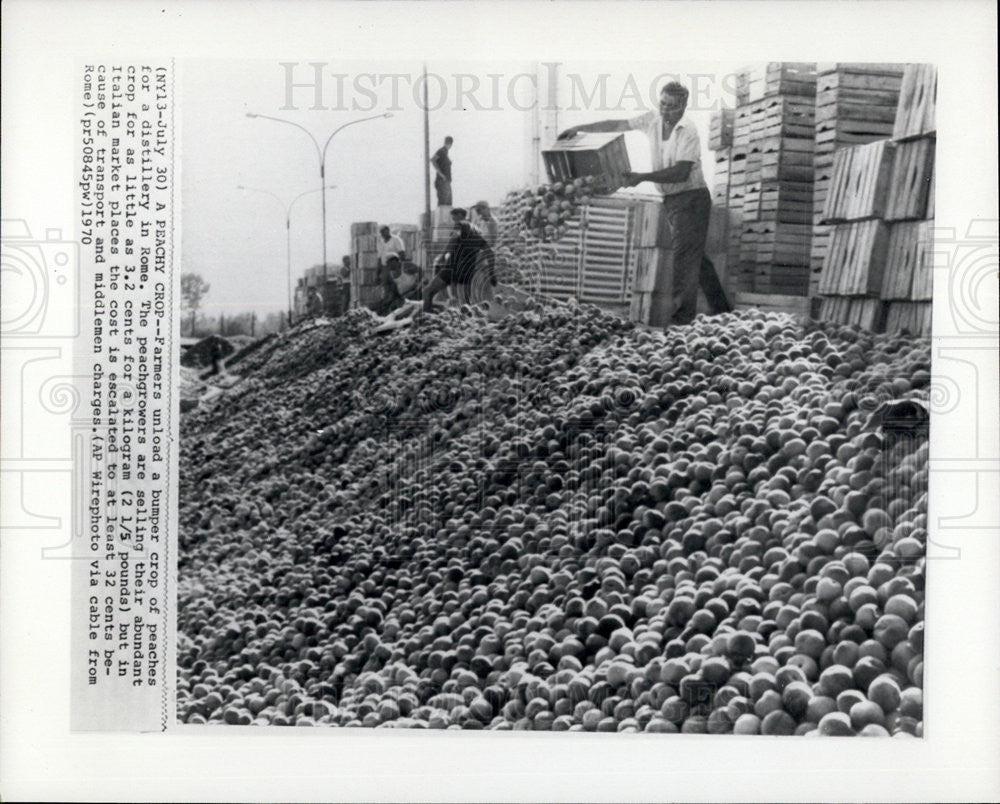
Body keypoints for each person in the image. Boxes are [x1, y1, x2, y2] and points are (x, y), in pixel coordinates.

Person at [559, 81, 710, 325]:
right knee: (695, 258)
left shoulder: (688, 130)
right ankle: (722, 309)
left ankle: (681, 324)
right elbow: (617, 124)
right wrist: (580, 128)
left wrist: (642, 177)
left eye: (671, 107)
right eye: (662, 104)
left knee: (685, 260)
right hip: (672, 199)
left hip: (692, 198)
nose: (665, 110)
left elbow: (681, 173)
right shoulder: (652, 120)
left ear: (682, 107)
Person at [423, 221, 495, 311]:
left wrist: (441, 259)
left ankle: (427, 315)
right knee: (464, 304)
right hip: (464, 273)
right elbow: (491, 254)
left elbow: (448, 247)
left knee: (428, 292)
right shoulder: (479, 240)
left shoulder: (459, 237)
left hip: (451, 271)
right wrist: (492, 272)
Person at [430, 136, 454, 207]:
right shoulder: (442, 151)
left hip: (445, 181)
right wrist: (441, 174)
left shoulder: (445, 152)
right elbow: (433, 160)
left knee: (447, 203)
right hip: (442, 181)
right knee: (444, 203)